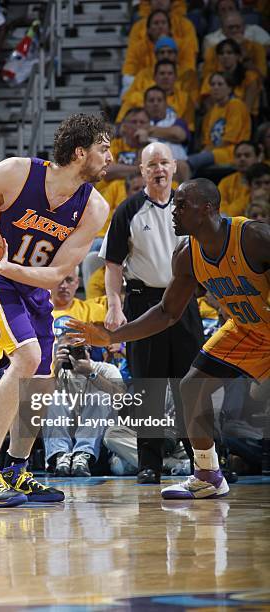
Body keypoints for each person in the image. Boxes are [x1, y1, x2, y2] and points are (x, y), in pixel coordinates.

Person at [0, 113, 112, 508]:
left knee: (43, 377)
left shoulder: (94, 207)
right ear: (80, 152)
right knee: (27, 356)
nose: (110, 158)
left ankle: (17, 470)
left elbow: (55, 275)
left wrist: (9, 266)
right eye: (104, 148)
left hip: (30, 284)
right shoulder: (18, 172)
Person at [68, 178, 270, 499]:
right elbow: (166, 312)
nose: (173, 212)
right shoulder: (187, 255)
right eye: (173, 204)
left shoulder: (254, 238)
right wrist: (111, 336)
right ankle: (207, 474)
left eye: (181, 206)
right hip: (245, 328)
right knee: (192, 386)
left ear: (206, 210)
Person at [98, 141, 203, 484]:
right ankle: (149, 464)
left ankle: (203, 461)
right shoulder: (127, 210)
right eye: (151, 165)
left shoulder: (191, 210)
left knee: (190, 386)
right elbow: (113, 264)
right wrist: (114, 304)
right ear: (141, 171)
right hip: (143, 304)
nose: (158, 170)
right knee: (148, 388)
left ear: (174, 167)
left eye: (164, 163)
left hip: (184, 302)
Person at [43, 335, 124, 477]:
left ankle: (83, 455)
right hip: (65, 435)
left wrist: (91, 374)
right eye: (69, 349)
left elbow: (122, 397)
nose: (74, 354)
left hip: (100, 442)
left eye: (78, 349)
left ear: (88, 349)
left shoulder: (105, 369)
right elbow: (36, 400)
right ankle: (60, 455)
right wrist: (54, 369)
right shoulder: (55, 372)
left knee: (99, 397)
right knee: (52, 398)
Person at [218, 141, 260, 217]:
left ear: (257, 158)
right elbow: (221, 209)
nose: (242, 159)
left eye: (247, 155)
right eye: (238, 156)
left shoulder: (264, 181)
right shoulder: (225, 182)